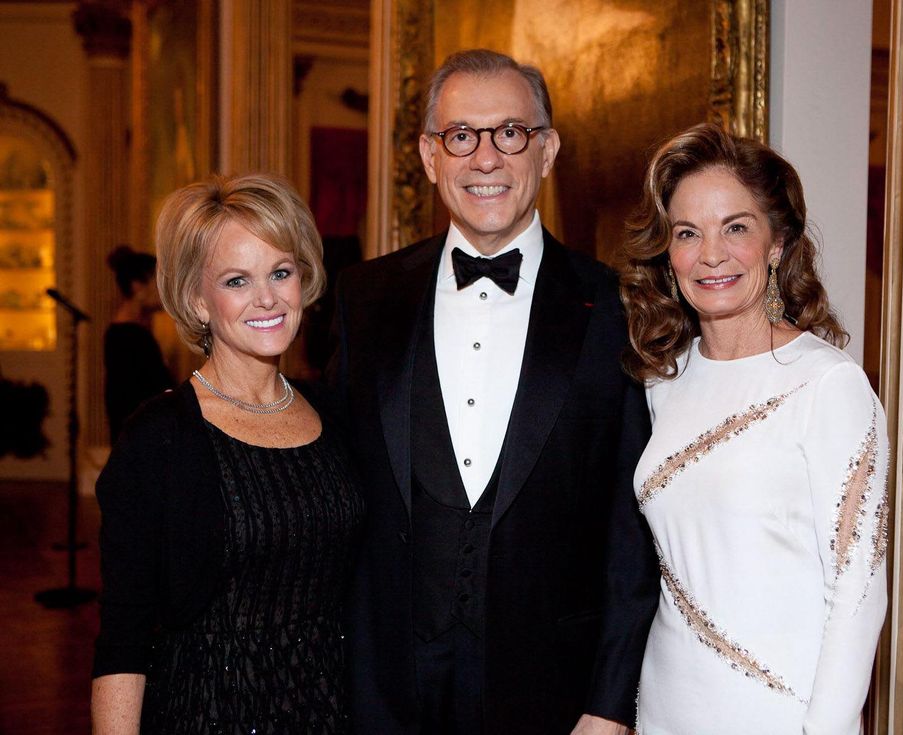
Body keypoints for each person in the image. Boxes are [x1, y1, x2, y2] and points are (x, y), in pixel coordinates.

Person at [329, 49, 659, 735]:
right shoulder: (361, 298)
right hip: (385, 690)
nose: (486, 158)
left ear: (547, 150)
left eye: (511, 132)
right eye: (461, 136)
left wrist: (609, 702)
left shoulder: (617, 307)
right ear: (428, 155)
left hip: (552, 694)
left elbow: (632, 531)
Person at [621, 123, 888, 734]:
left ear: (777, 242)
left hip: (777, 712)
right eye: (688, 233)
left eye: (736, 227)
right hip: (663, 705)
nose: (711, 254)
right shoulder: (662, 381)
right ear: (668, 251)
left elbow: (858, 593)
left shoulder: (828, 385)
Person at [91, 173, 364, 734]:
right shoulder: (159, 440)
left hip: (332, 713)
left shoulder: (336, 415)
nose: (267, 298)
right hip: (209, 714)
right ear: (196, 298)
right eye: (237, 280)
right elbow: (124, 634)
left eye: (281, 273)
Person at [104, 245, 174, 443]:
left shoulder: (124, 332)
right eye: (158, 284)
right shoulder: (131, 337)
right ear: (137, 286)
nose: (164, 293)